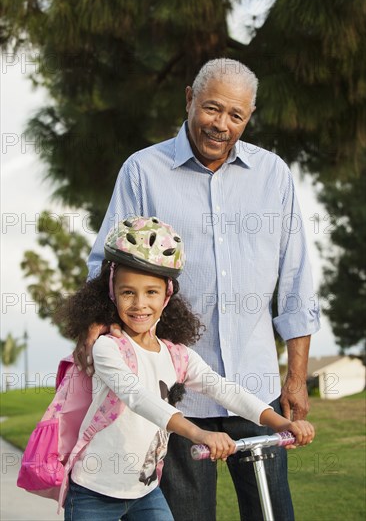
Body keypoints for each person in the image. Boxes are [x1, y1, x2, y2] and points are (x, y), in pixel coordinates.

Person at [79, 58, 320, 520]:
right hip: (175, 392)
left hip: (256, 389)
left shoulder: (273, 176)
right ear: (189, 98)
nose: (222, 125)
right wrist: (103, 342)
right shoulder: (142, 171)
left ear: (248, 118)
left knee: (274, 514)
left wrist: (295, 376)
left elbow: (295, 281)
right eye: (212, 109)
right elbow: (106, 267)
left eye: (236, 115)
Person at [63, 215, 314, 521]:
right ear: (113, 292)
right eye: (128, 292)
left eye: (151, 292)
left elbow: (223, 389)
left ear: (167, 295)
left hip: (145, 491)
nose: (140, 304)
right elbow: (139, 398)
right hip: (94, 491)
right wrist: (199, 434)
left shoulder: (177, 355)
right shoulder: (108, 348)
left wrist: (279, 423)